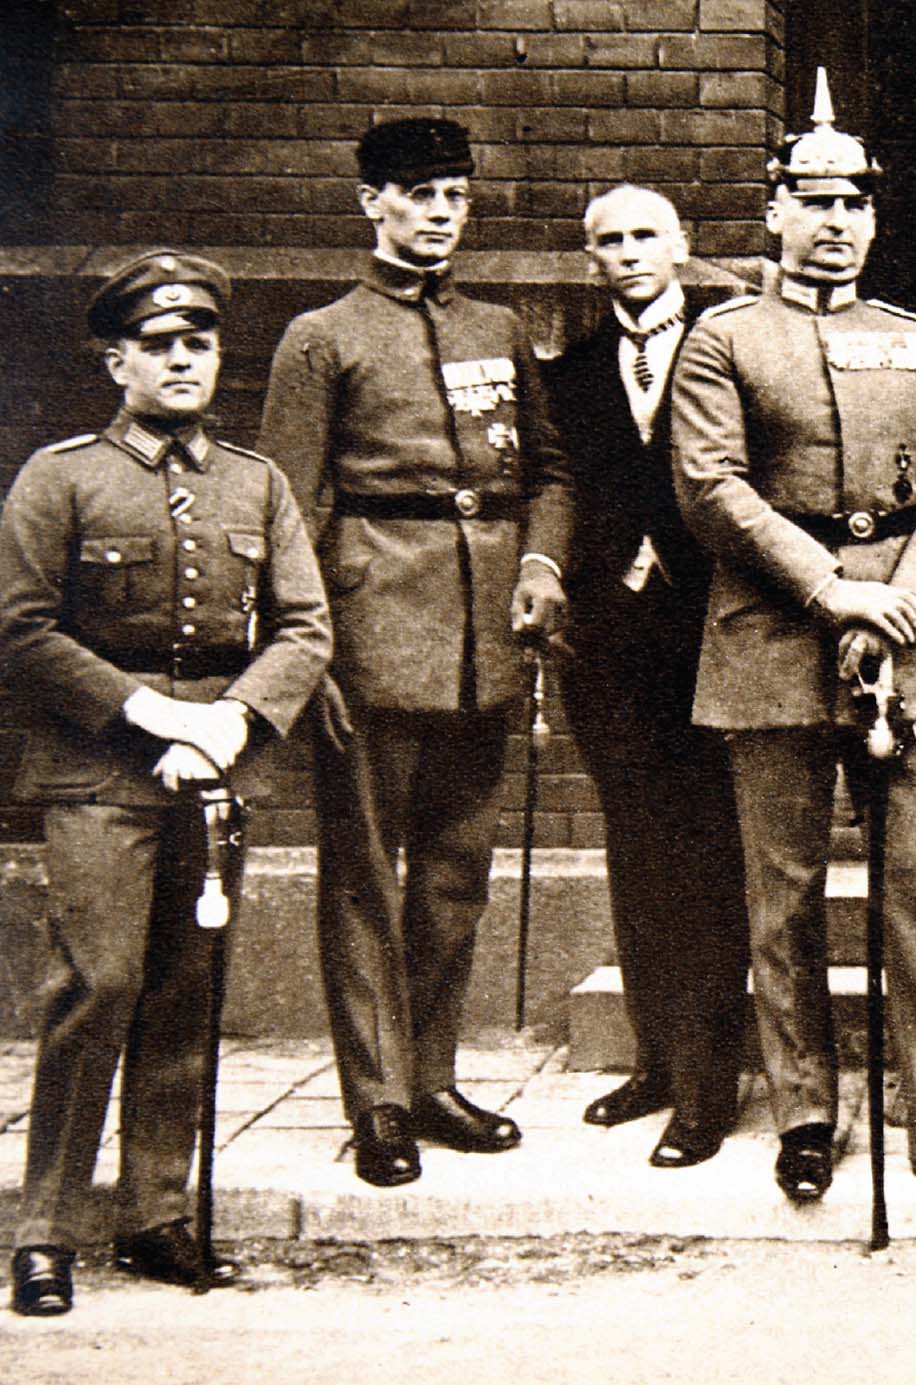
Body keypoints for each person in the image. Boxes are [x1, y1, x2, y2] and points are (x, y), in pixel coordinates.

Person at [670, 71, 916, 1209]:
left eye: (854, 204)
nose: (835, 224)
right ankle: (805, 1111)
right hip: (772, 637)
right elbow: (711, 487)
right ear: (772, 210)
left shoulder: (912, 340)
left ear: (874, 219)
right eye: (813, 201)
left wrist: (907, 599)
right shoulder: (721, 339)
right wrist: (831, 588)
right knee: (780, 894)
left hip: (909, 642)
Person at [1, 251, 331, 1315]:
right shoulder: (62, 477)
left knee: (188, 993)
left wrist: (230, 719)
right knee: (97, 983)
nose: (183, 361)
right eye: (158, 345)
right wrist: (155, 717)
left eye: (199, 343)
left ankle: (155, 1213)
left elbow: (305, 625)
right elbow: (21, 628)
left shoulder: (256, 480)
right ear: (115, 362)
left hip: (213, 772)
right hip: (98, 771)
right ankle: (44, 1228)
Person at [258, 118, 574, 1188]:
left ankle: (433, 1078)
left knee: (454, 872)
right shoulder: (321, 337)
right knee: (363, 879)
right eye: (418, 193)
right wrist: (314, 658)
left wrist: (540, 570)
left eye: (454, 194)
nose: (440, 213)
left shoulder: (497, 326)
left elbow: (551, 476)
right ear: (370, 204)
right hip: (371, 635)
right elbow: (285, 508)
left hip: (486, 637)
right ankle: (378, 1097)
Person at [542, 185, 749, 1166]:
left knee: (708, 851)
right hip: (610, 643)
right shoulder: (572, 370)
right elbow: (560, 488)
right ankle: (657, 1056)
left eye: (643, 236)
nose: (626, 253)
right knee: (635, 842)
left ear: (681, 246)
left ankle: (710, 1084)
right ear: (591, 257)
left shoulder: (730, 341)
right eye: (607, 240)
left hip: (712, 629)